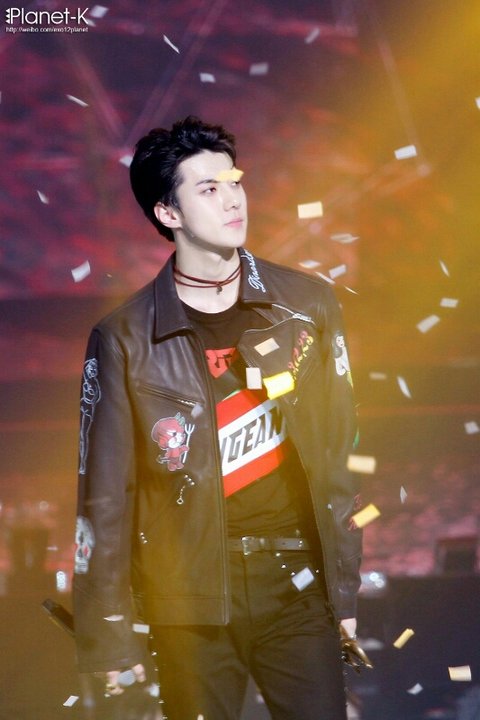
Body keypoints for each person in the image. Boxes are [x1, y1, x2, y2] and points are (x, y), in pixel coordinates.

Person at [73, 115, 363, 720]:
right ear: (168, 213)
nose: (233, 199)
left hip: (297, 584)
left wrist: (344, 590)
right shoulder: (124, 337)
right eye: (208, 189)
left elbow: (338, 456)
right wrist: (106, 632)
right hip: (187, 595)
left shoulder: (308, 305)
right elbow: (105, 495)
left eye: (234, 181)